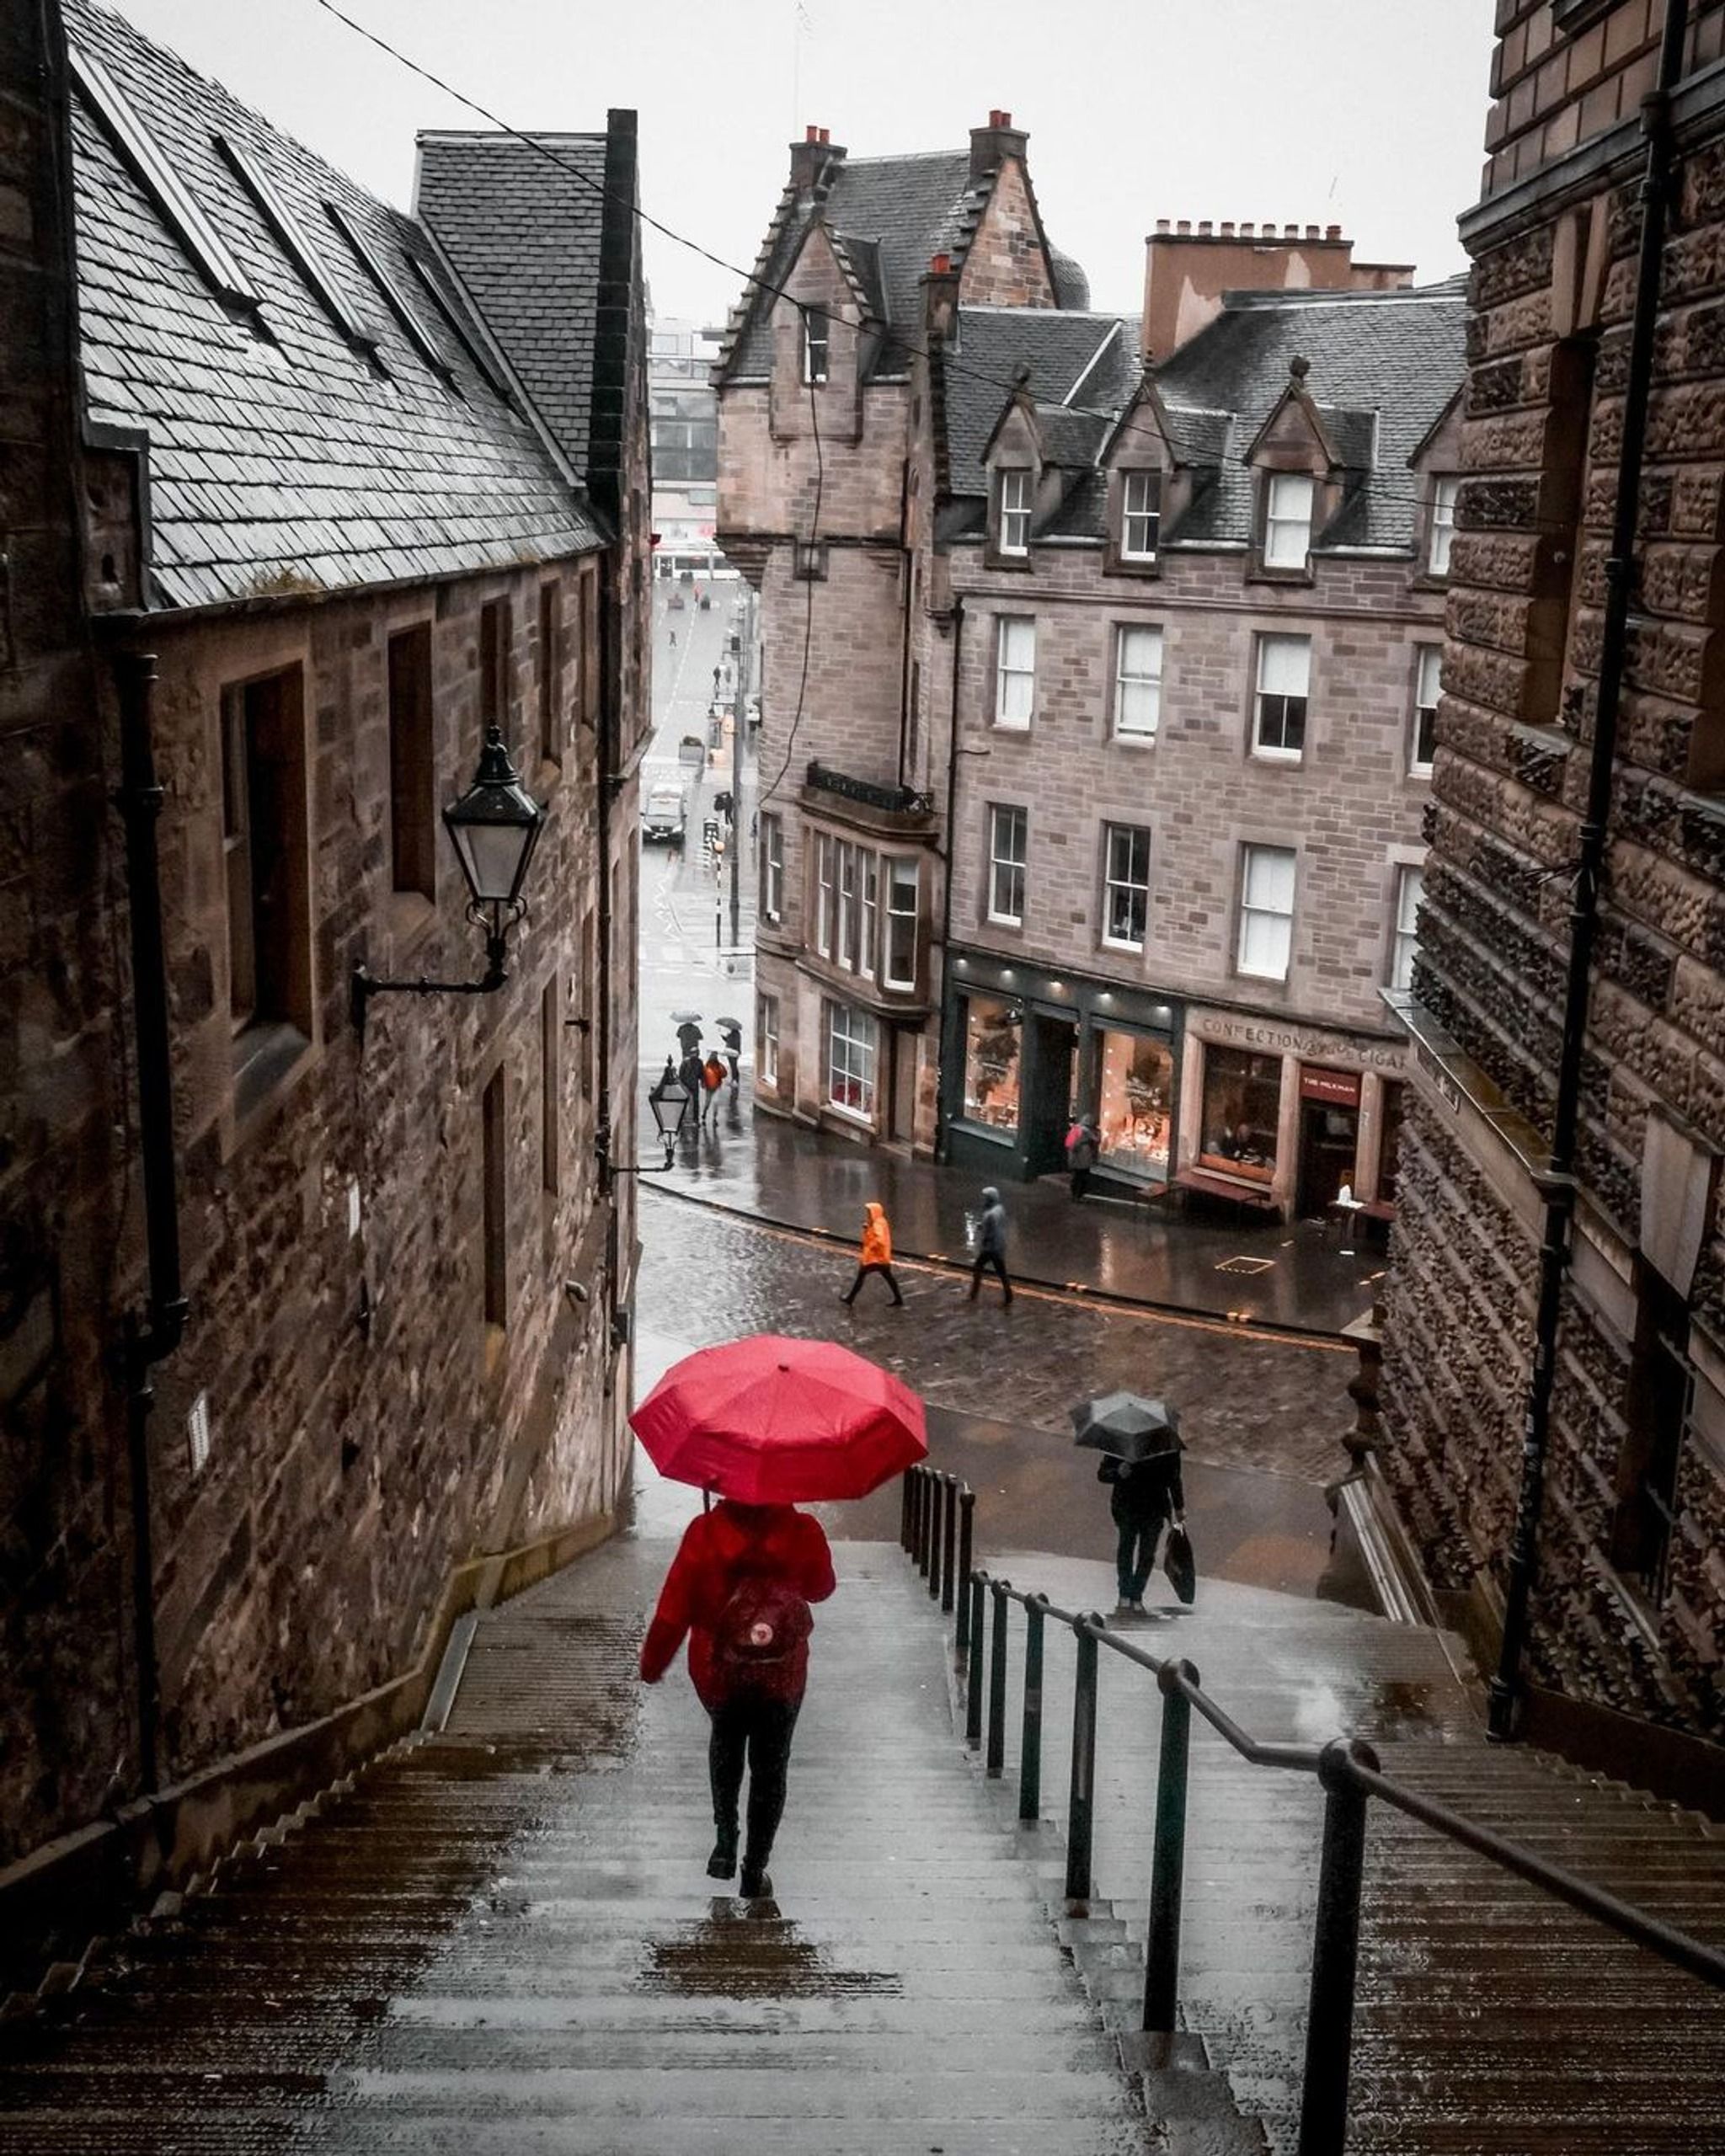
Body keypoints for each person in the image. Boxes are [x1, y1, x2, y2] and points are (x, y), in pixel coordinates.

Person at [640, 1497, 836, 1900]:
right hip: (781, 1676)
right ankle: (754, 1869)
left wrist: (653, 1663)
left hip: (718, 1673)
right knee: (770, 1766)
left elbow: (675, 1607)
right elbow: (821, 1588)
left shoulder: (705, 1533)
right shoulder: (803, 1532)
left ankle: (725, 1836)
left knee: (726, 1736)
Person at [1097, 1444, 1186, 1617]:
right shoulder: (1122, 1443)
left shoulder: (1167, 1446)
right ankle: (1125, 1593)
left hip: (1154, 1506)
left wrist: (1179, 1506)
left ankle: (1137, 1594)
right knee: (1126, 1548)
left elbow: (1174, 1477)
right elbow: (1102, 1474)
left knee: (1147, 1554)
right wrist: (1118, 1473)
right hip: (1126, 1505)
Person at [841, 1202, 904, 1308]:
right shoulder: (880, 1221)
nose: (868, 1214)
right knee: (888, 1276)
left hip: (874, 1258)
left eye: (869, 1212)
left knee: (861, 1275)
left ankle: (850, 1299)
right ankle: (898, 1298)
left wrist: (871, 1246)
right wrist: (868, 1228)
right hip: (882, 1257)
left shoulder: (877, 1224)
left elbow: (880, 1239)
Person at [967, 1185, 1012, 1305]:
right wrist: (982, 1226)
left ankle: (973, 1294)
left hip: (991, 1248)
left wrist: (983, 1244)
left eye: (985, 1198)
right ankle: (1009, 1295)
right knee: (1002, 1272)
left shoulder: (989, 1215)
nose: (983, 1200)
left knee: (978, 1267)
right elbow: (997, 1225)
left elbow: (989, 1233)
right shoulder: (1000, 1209)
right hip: (1000, 1245)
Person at [1065, 1118, 1099, 1202]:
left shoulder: (1075, 1128)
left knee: (1076, 1176)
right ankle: (1079, 1196)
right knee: (1083, 1176)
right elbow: (1096, 1139)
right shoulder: (1086, 1130)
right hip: (1083, 1154)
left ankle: (1074, 1195)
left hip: (1074, 1154)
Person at [701, 1050, 727, 1124]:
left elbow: (724, 1074)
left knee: (715, 1102)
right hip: (709, 1088)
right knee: (708, 1103)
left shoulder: (718, 1066)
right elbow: (703, 1076)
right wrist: (703, 1083)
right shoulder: (706, 1067)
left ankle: (714, 1118)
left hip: (716, 1087)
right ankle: (705, 1113)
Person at [720, 1019, 743, 1090]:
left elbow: (732, 1043)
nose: (729, 1027)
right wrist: (723, 1037)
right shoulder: (736, 1034)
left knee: (733, 1067)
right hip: (734, 1052)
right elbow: (729, 1040)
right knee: (733, 1066)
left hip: (732, 1052)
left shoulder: (734, 1034)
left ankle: (735, 1081)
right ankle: (734, 1080)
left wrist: (727, 1039)